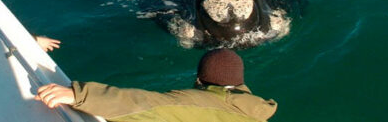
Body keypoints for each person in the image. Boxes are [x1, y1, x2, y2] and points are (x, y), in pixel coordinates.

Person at [35, 48, 278, 122]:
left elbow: (147, 106)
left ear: (199, 81)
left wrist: (78, 95)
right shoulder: (256, 112)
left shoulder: (203, 103)